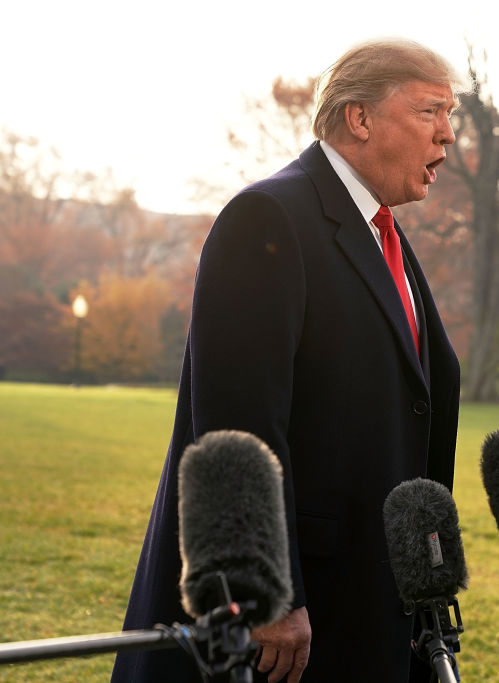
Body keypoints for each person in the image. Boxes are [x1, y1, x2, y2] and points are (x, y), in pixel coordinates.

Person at [111, 39, 464, 683]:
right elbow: (235, 427)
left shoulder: (383, 232)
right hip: (290, 617)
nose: (447, 136)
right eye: (430, 111)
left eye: (451, 115)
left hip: (374, 594)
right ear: (359, 118)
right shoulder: (268, 216)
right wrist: (266, 595)